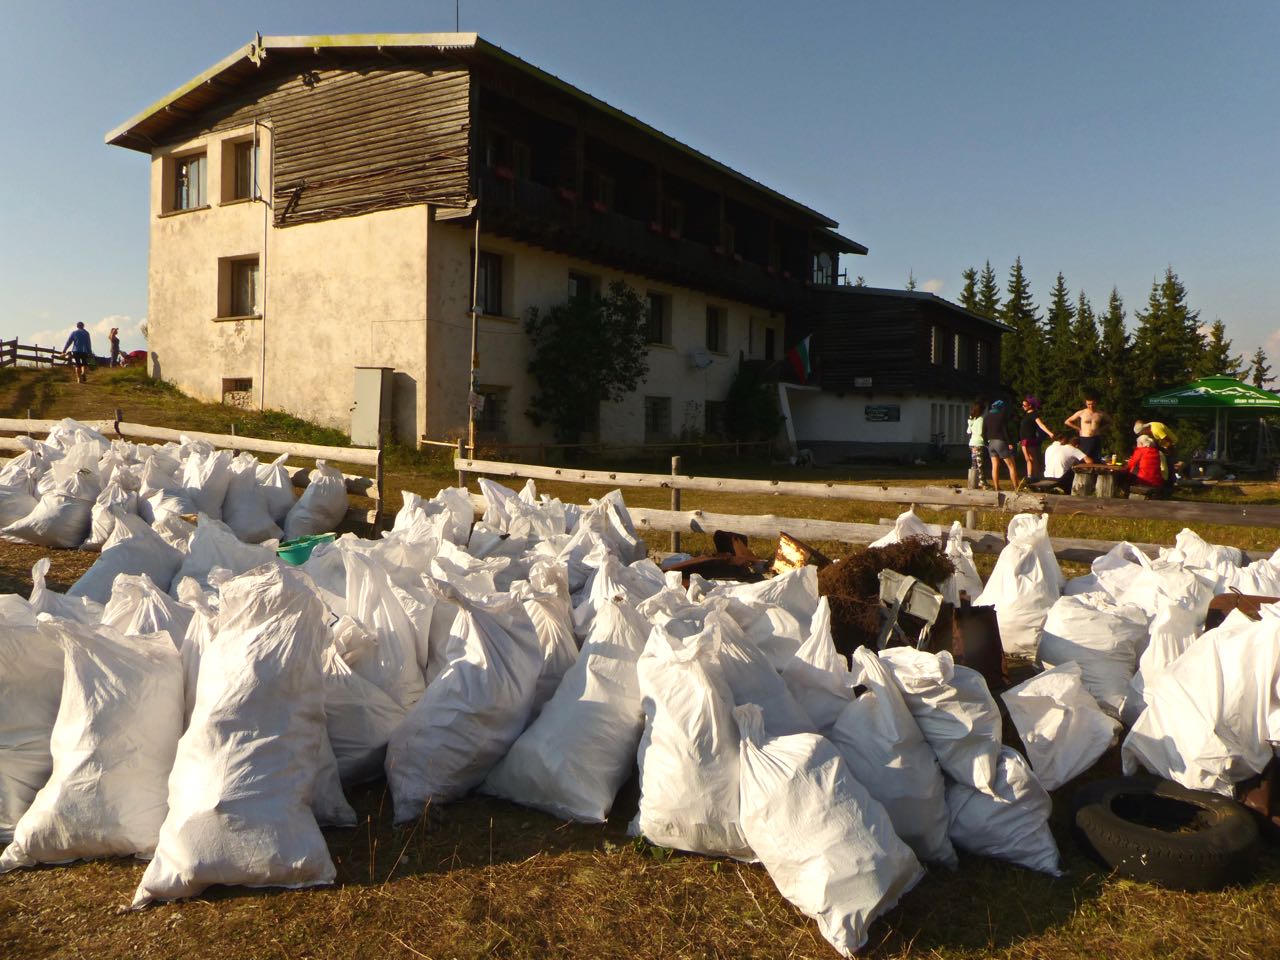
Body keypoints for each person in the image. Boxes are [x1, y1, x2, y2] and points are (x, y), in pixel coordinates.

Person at [983, 399, 1020, 492]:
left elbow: (983, 432)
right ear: (1001, 408)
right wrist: (1009, 443)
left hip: (991, 443)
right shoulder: (1002, 416)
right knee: (1011, 465)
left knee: (995, 466)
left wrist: (986, 443)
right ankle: (1016, 487)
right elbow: (1005, 431)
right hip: (1000, 442)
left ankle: (996, 487)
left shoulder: (986, 417)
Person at [1065, 392, 1111, 462]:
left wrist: (1101, 429)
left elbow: (1110, 422)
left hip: (1096, 438)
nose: (1091, 406)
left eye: (1092, 404)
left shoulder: (1100, 413)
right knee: (1084, 459)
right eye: (1088, 404)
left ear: (1095, 403)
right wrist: (1078, 429)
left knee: (1096, 459)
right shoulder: (1082, 412)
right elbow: (1067, 421)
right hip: (1085, 439)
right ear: (1086, 404)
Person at [1018, 396, 1053, 480]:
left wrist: (1049, 433)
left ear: (1030, 405)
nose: (1023, 407)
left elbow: (1041, 424)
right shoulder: (1026, 414)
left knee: (1031, 458)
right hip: (1024, 439)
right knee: (1029, 459)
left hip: (1029, 439)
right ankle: (1030, 476)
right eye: (1022, 405)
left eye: (1024, 405)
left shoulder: (1034, 414)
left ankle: (1035, 476)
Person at [967, 401, 986, 489]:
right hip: (979, 443)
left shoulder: (972, 419)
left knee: (974, 463)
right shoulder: (981, 419)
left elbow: (968, 431)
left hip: (972, 442)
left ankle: (973, 481)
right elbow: (980, 432)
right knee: (980, 463)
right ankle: (982, 482)